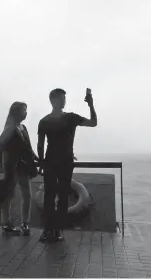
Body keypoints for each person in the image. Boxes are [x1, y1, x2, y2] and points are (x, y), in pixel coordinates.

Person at [37, 88, 97, 243]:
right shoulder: (70, 118)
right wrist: (90, 105)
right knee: (60, 196)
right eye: (62, 98)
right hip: (64, 162)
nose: (65, 101)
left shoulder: (44, 121)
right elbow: (93, 123)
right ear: (54, 100)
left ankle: (48, 230)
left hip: (51, 162)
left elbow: (40, 146)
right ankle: (56, 231)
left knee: (50, 196)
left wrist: (41, 162)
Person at [0, 101, 38, 235]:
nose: (26, 113)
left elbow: (28, 148)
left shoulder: (23, 128)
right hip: (12, 167)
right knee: (9, 195)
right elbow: (2, 148)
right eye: (24, 110)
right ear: (17, 112)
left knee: (27, 195)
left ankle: (24, 222)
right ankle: (6, 222)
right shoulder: (10, 128)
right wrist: (3, 167)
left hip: (24, 167)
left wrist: (36, 158)